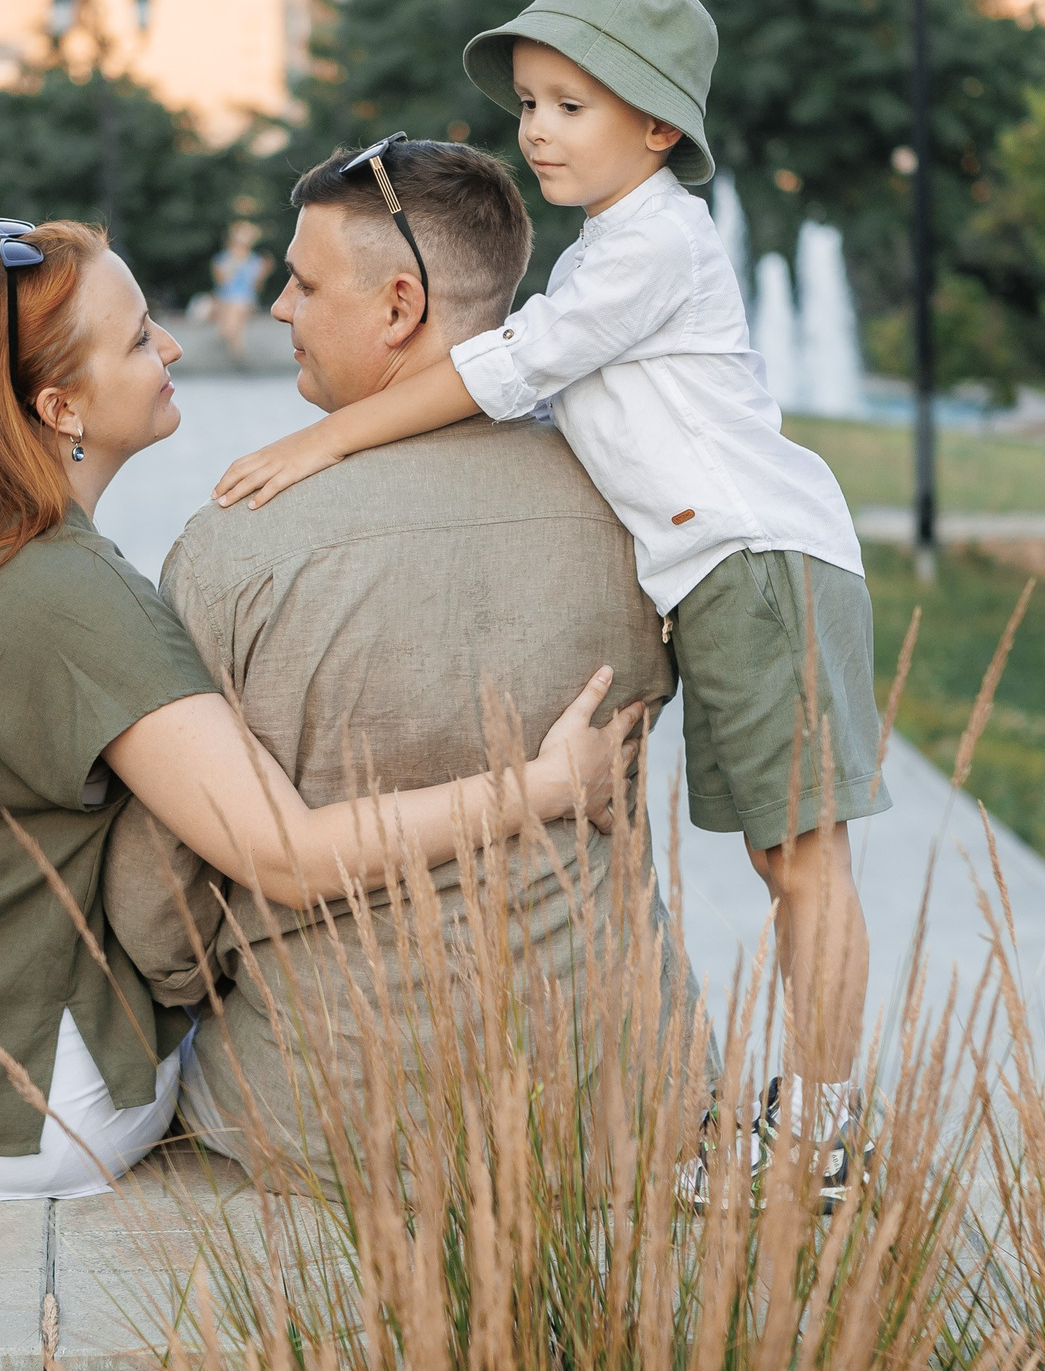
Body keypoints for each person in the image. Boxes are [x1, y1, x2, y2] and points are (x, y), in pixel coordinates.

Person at [0, 221, 641, 1207]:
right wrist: (545, 785)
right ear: (59, 404)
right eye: (135, 340)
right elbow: (284, 859)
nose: (169, 347)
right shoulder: (76, 603)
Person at [209, 0, 889, 1097]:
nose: (538, 133)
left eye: (571, 107)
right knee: (783, 858)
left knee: (806, 863)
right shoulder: (608, 253)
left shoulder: (652, 248)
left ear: (661, 126)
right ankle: (818, 1108)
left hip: (760, 563)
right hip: (719, 571)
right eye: (528, 104)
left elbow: (505, 367)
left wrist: (326, 440)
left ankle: (827, 1120)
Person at [103, 140, 699, 1194]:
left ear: (398, 306)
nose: (280, 307)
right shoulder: (645, 520)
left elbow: (160, 902)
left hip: (322, 1110)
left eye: (303, 281)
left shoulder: (235, 547)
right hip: (614, 1096)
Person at [209, 220, 266, 360]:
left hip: (245, 300)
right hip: (225, 299)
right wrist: (234, 263)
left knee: (237, 307)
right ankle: (237, 349)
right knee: (232, 312)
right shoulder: (223, 258)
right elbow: (221, 282)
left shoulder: (255, 261)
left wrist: (263, 273)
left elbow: (257, 288)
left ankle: (235, 346)